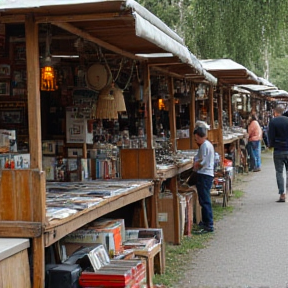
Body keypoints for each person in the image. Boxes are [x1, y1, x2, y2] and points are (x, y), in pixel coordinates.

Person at [193, 125, 214, 233]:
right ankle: (205, 221)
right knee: (203, 199)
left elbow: (203, 162)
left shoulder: (204, 146)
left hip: (205, 174)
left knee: (205, 200)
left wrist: (197, 165)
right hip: (207, 174)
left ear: (199, 136)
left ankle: (209, 224)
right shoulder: (206, 145)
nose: (196, 140)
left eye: (196, 138)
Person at [268, 105, 288, 202]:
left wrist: (270, 145)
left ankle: (282, 194)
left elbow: (271, 136)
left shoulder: (273, 122)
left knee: (279, 172)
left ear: (275, 112)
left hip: (278, 150)